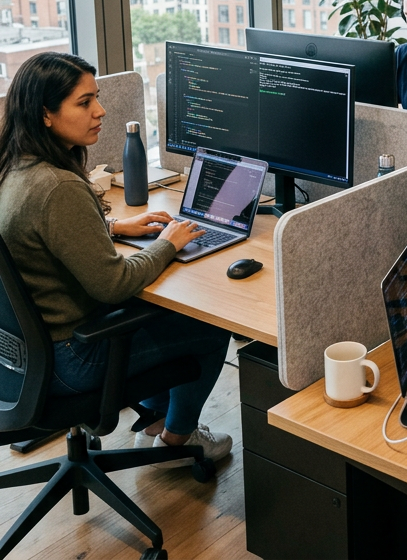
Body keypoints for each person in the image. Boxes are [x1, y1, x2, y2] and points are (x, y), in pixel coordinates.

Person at [0, 53, 233, 465]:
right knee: (210, 326)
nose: (100, 111)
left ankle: (155, 421)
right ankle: (179, 441)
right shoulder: (57, 187)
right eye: (84, 102)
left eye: (97, 98)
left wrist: (112, 229)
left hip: (18, 358)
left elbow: (33, 236)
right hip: (69, 361)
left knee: (153, 312)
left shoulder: (13, 169)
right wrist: (170, 242)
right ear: (46, 115)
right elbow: (114, 284)